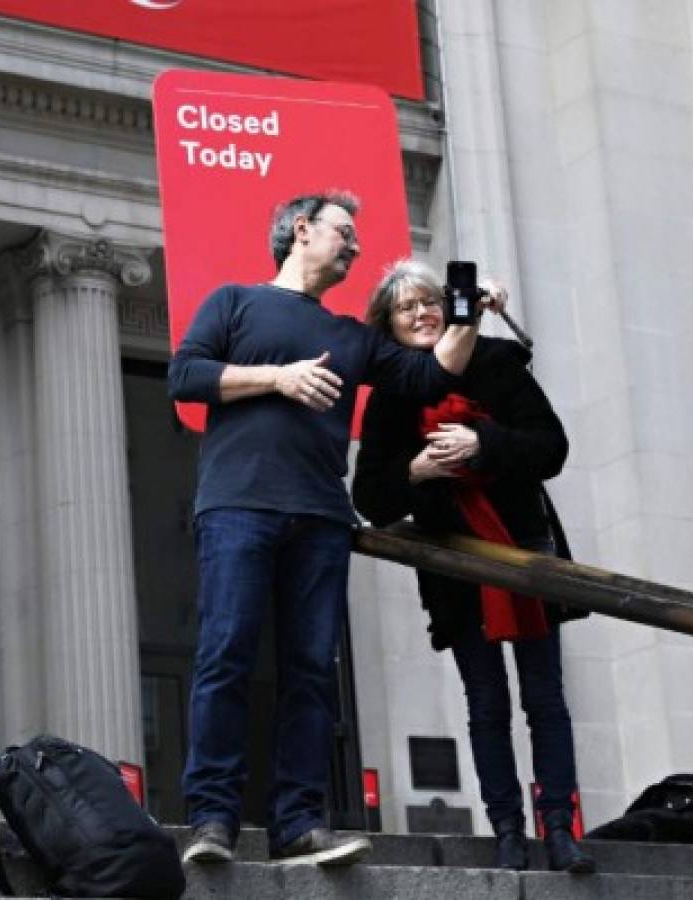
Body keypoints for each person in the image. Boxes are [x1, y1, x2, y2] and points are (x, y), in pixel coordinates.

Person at [167, 194, 500, 866]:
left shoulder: (351, 336)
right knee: (225, 655)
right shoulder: (234, 302)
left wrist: (467, 300)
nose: (353, 247)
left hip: (320, 517)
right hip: (237, 506)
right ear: (301, 231)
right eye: (343, 233)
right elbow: (185, 375)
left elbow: (435, 370)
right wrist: (278, 378)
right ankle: (211, 820)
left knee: (312, 671)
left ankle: (297, 824)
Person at [351, 259, 594, 874]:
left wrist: (484, 443)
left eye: (429, 301)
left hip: (521, 549)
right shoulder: (389, 397)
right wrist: (417, 471)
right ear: (389, 326)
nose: (421, 313)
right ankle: (508, 830)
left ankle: (561, 827)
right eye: (406, 308)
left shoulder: (494, 362)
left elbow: (551, 447)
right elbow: (370, 499)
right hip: (455, 564)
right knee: (486, 702)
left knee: (546, 699)